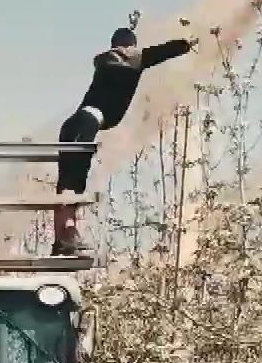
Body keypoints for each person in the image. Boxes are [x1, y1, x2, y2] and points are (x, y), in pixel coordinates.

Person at [52, 26, 196, 256]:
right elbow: (137, 56)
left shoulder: (124, 61)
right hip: (84, 123)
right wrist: (183, 45)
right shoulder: (116, 60)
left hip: (80, 124)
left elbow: (159, 53)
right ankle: (66, 235)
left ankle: (62, 238)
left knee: (70, 181)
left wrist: (184, 45)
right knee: (73, 180)